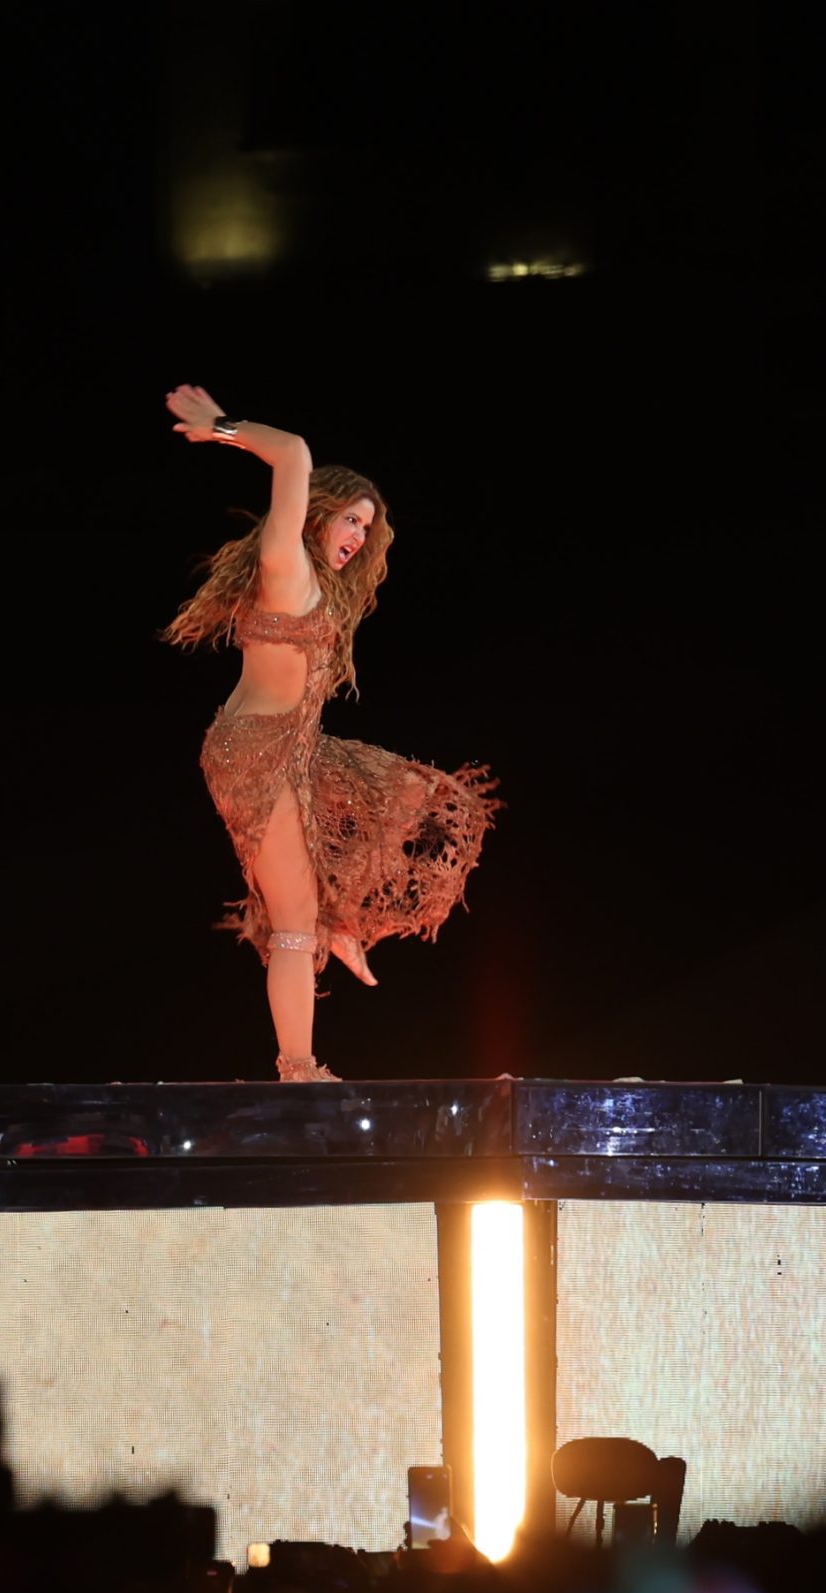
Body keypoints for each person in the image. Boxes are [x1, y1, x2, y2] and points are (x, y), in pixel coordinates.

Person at [159, 384, 498, 1081]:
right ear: (317, 513)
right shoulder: (283, 562)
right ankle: (299, 1070)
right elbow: (293, 452)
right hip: (254, 753)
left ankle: (341, 917)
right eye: (350, 519)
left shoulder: (319, 586)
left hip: (300, 748)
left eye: (367, 529)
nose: (358, 537)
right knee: (293, 924)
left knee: (415, 795)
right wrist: (220, 426)